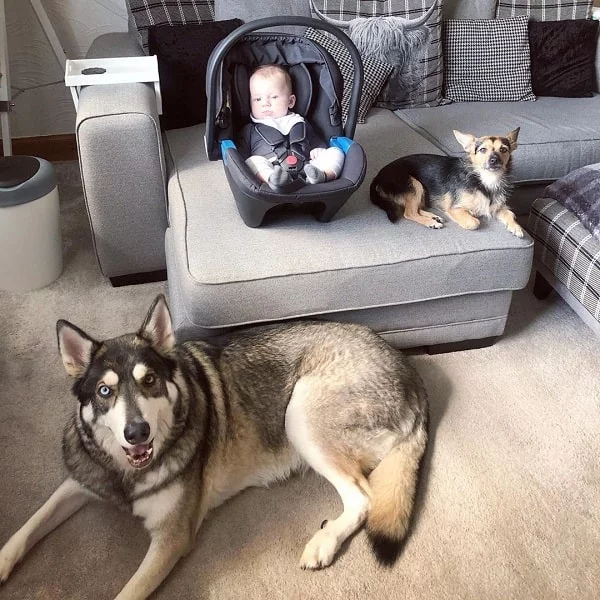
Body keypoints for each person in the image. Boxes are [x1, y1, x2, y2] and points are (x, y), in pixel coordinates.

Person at [239, 64, 345, 192]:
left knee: (336, 152)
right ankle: (273, 180)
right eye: (257, 99)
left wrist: (319, 151)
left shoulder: (300, 122)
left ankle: (322, 175)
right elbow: (240, 155)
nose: (265, 103)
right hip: (271, 167)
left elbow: (315, 141)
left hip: (307, 166)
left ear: (290, 101)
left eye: (274, 97)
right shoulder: (250, 130)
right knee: (252, 161)